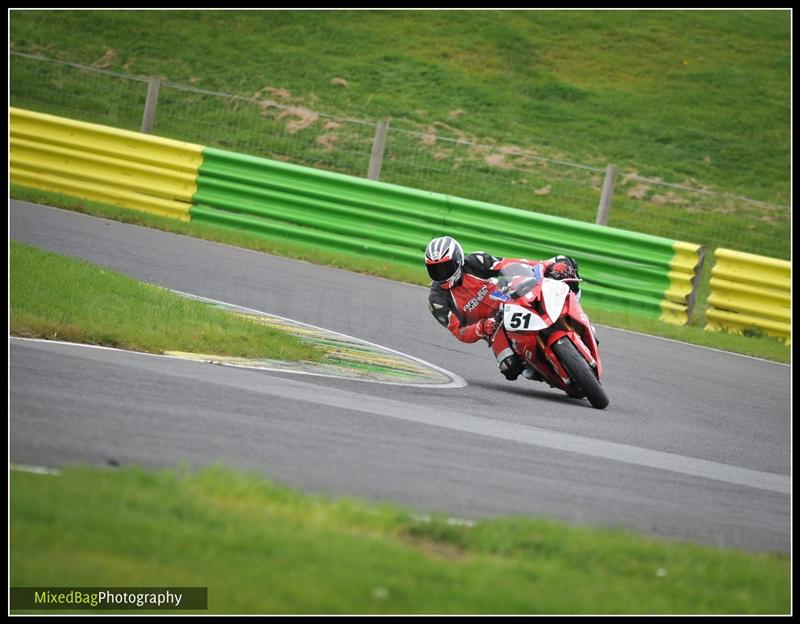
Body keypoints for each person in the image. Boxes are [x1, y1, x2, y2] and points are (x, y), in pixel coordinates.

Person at [425, 235, 580, 381]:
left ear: (458, 260)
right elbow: (459, 331)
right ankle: (545, 373)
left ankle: (575, 312)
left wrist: (545, 267)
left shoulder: (476, 261)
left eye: (445, 267)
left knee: (564, 264)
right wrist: (482, 327)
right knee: (510, 367)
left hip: (510, 299)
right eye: (435, 270)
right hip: (492, 327)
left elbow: (507, 264)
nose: (442, 274)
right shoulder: (437, 301)